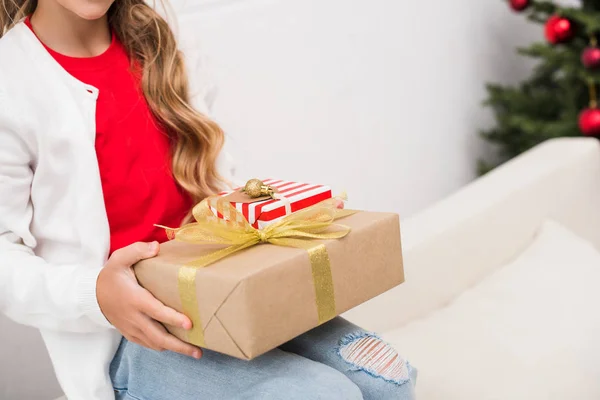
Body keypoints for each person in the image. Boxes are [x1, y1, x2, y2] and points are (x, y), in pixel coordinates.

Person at [0, 1, 417, 399]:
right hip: (129, 339)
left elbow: (216, 183)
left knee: (388, 381)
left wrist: (280, 220)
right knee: (325, 395)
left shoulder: (163, 42)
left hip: (218, 289)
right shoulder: (12, 79)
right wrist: (95, 295)